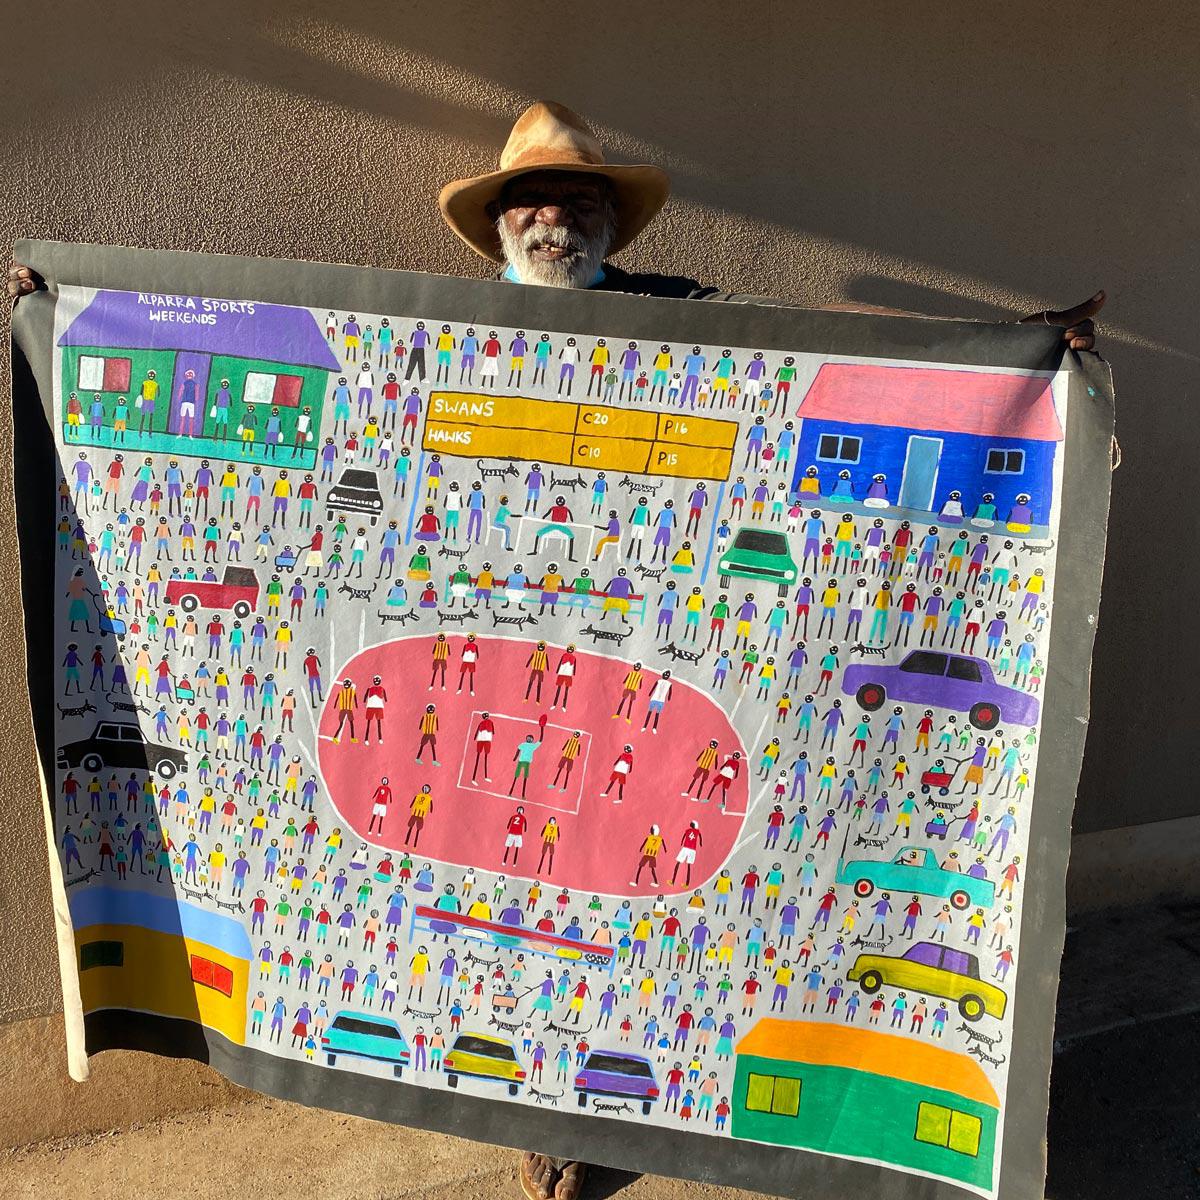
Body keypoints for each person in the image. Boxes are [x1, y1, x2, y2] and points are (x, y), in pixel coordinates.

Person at [8, 100, 1101, 1200]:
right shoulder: (444, 326)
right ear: (498, 223)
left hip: (644, 660)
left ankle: (593, 1135)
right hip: (487, 653)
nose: (556, 219)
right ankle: (535, 1124)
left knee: (610, 916)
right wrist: (63, 312)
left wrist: (1011, 347)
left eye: (580, 201)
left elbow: (823, 341)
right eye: (533, 201)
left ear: (611, 222)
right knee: (500, 921)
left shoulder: (678, 319)